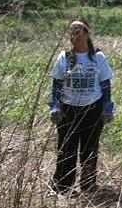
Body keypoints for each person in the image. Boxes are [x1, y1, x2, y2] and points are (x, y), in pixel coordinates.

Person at [49, 20, 114, 194]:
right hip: (68, 109)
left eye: (78, 32)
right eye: (72, 32)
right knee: (66, 147)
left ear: (87, 33)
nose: (75, 36)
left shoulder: (98, 58)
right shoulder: (64, 58)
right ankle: (62, 186)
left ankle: (88, 184)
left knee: (89, 147)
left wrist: (107, 109)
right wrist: (54, 107)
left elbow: (105, 84)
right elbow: (56, 84)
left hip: (92, 108)